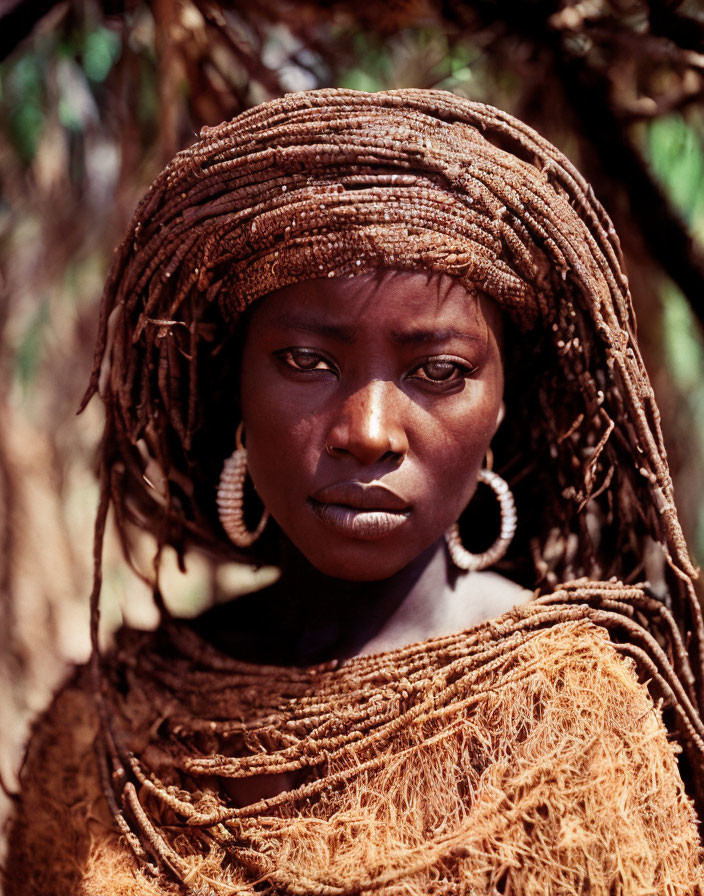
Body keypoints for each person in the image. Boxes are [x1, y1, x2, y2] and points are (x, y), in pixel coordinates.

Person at [5, 88, 704, 894]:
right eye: (307, 361)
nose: (368, 430)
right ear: (235, 385)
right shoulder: (107, 731)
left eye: (438, 372)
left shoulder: (572, 727)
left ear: (501, 408)